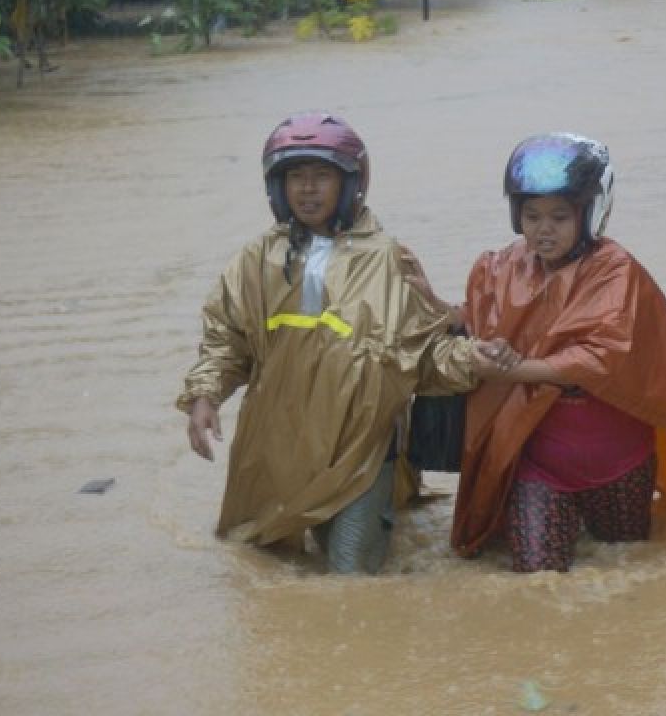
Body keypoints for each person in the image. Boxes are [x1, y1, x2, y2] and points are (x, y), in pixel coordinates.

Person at [407, 133, 666, 573]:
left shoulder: (617, 271)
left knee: (628, 569)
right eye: (531, 216)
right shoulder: (503, 265)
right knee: (537, 580)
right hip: (539, 465)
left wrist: (515, 369)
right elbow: (483, 318)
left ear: (590, 214)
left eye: (559, 217)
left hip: (620, 465)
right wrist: (437, 307)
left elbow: (598, 359)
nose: (543, 229)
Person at [176, 111, 513, 574]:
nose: (307, 189)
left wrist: (472, 357)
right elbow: (226, 341)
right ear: (278, 186)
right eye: (296, 177)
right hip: (277, 447)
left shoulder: (389, 258)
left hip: (362, 447)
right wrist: (205, 395)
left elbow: (425, 351)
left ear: (351, 184)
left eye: (321, 177)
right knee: (260, 566)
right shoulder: (255, 260)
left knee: (352, 578)